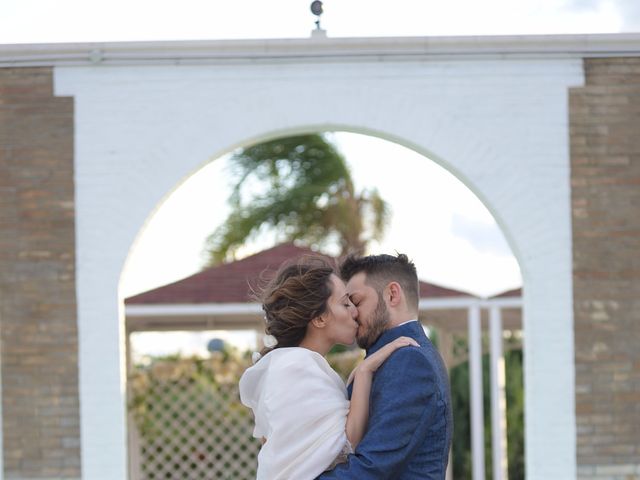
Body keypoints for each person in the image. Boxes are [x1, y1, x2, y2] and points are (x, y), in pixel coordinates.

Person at [238, 258, 417, 480]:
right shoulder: (296, 366)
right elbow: (348, 443)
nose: (355, 312)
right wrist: (364, 372)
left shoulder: (294, 364)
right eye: (345, 303)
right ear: (320, 318)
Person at [317, 253, 453, 479]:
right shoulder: (387, 360)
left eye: (357, 301)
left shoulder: (410, 361)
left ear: (392, 294)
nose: (352, 312)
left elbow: (372, 468)